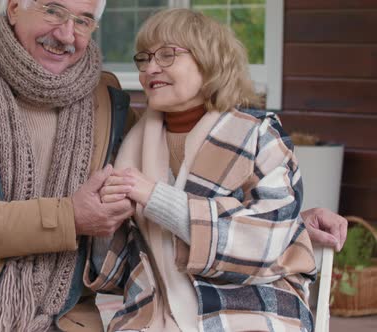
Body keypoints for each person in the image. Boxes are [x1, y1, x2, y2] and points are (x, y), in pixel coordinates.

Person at [0, 1, 347, 331]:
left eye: (83, 20)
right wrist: (75, 217)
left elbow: (158, 212)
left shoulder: (109, 105)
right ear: (13, 5)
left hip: (56, 305)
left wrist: (291, 225)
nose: (66, 33)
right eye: (53, 10)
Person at [91, 8, 321, 332]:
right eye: (144, 58)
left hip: (251, 311)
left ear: (210, 61)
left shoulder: (259, 134)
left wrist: (156, 198)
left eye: (167, 55)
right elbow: (112, 273)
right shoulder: (131, 147)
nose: (150, 68)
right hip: (153, 314)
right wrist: (107, 219)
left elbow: (268, 238)